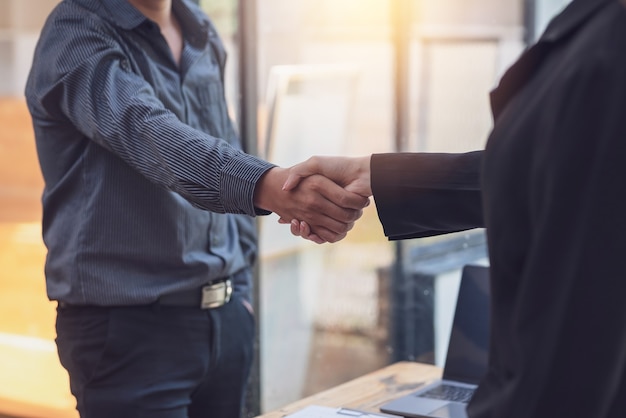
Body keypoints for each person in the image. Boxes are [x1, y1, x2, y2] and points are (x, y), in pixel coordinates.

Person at [24, 0, 368, 417]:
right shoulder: (77, 31)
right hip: (129, 334)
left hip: (225, 320)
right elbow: (153, 135)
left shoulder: (199, 27)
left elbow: (224, 138)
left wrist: (241, 283)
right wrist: (272, 186)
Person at [283, 0, 626, 417]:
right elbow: (547, 172)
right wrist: (376, 173)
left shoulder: (609, 53)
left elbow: (574, 349)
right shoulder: (598, 29)